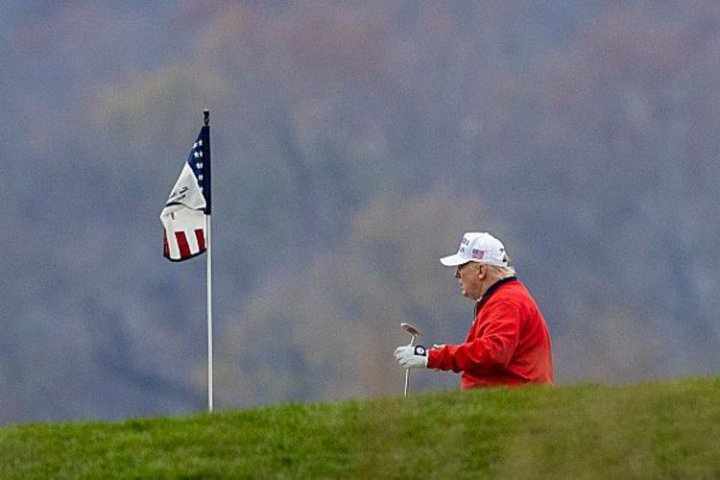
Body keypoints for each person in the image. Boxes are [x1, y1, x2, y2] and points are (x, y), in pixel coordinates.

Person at [394, 232, 553, 388]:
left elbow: (493, 353)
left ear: (481, 271)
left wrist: (431, 357)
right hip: (509, 402)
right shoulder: (504, 298)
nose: (457, 275)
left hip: (514, 406)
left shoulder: (507, 302)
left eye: (461, 267)